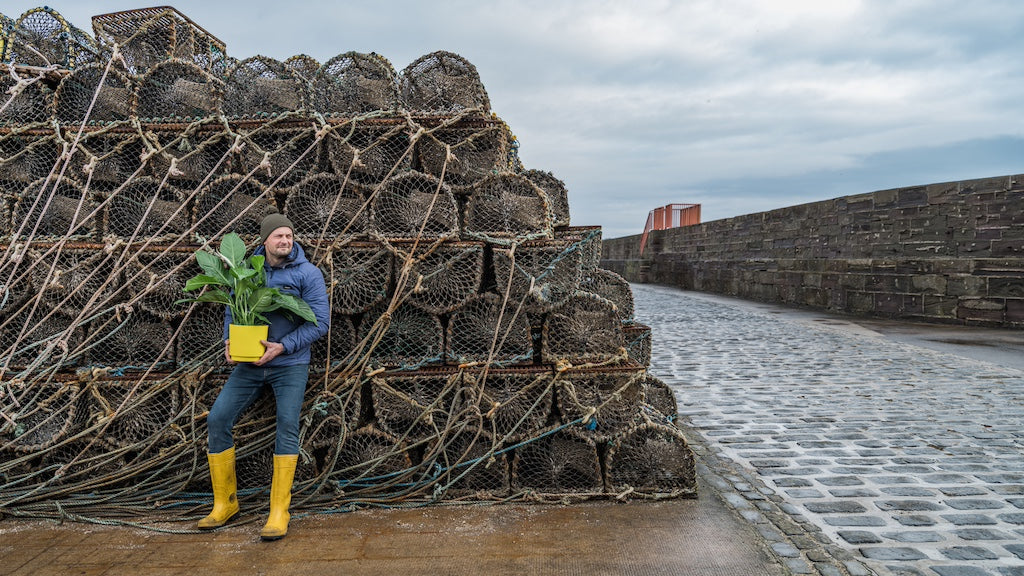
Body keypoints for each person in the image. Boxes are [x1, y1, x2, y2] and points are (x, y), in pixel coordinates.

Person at [197, 207, 330, 541]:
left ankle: (278, 511)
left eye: (289, 235)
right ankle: (225, 503)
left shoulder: (308, 273)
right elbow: (232, 307)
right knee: (217, 419)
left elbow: (321, 322)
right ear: (265, 241)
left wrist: (282, 347)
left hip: (289, 365)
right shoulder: (246, 271)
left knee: (287, 424)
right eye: (278, 236)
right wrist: (229, 338)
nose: (285, 240)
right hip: (248, 363)